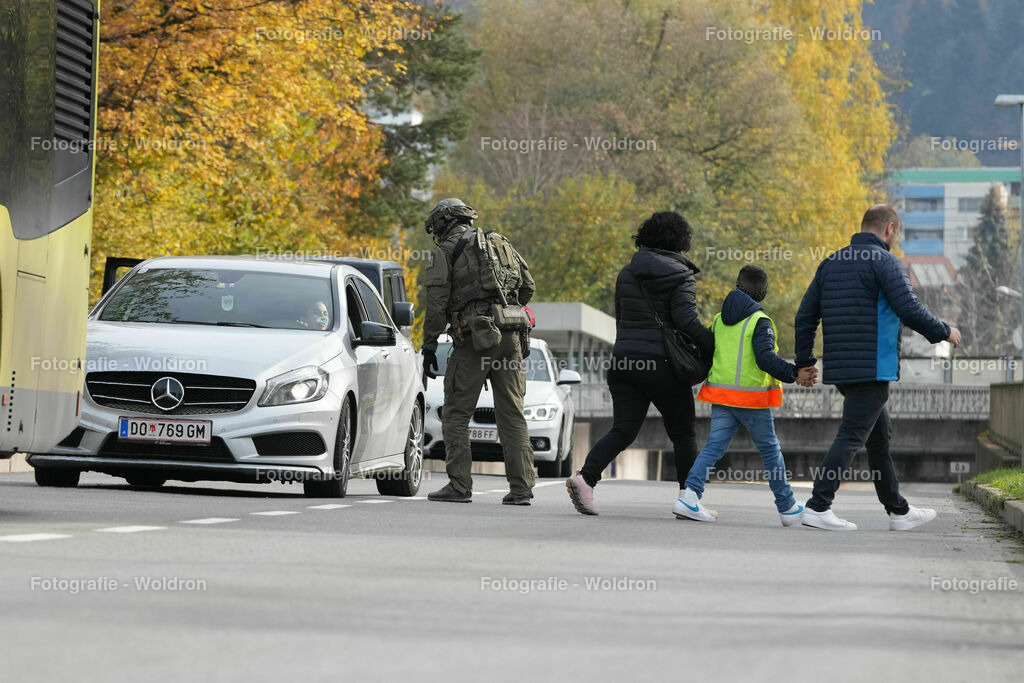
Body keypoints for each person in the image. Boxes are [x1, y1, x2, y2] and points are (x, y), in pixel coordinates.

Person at [794, 204, 962, 531]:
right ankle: (818, 505)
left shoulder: (831, 262)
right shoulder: (886, 262)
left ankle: (898, 511)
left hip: (843, 368)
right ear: (889, 229)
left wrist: (804, 362)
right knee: (852, 434)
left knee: (878, 436)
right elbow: (908, 309)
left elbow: (804, 317)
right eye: (896, 233)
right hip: (873, 366)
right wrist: (944, 330)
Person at [566, 211, 714, 516]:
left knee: (623, 429)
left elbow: (622, 320)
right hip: (662, 366)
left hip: (623, 362)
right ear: (680, 241)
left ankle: (585, 479)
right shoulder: (681, 275)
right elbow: (686, 320)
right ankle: (689, 500)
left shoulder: (627, 272)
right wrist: (714, 344)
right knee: (683, 434)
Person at [674, 265, 816, 525]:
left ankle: (689, 496)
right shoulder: (759, 321)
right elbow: (765, 359)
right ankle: (786, 507)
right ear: (762, 292)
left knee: (713, 447)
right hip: (751, 400)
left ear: (737, 284)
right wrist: (795, 373)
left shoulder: (719, 320)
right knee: (770, 450)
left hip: (721, 396)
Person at [420, 198, 537, 505]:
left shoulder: (443, 252)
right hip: (510, 338)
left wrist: (429, 345)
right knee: (512, 414)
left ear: (444, 223)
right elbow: (528, 288)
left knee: (456, 414)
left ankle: (459, 486)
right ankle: (521, 489)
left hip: (473, 339)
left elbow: (435, 307)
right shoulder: (500, 242)